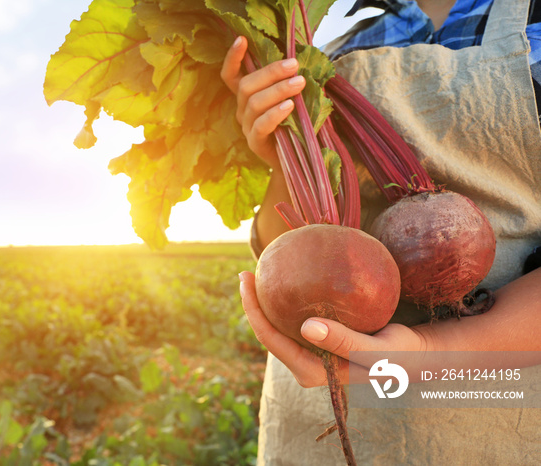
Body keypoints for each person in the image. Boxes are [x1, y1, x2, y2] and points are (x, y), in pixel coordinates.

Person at [221, 0, 541, 464]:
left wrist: (434, 348)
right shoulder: (331, 49)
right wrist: (279, 153)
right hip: (310, 423)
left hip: (500, 412)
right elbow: (281, 244)